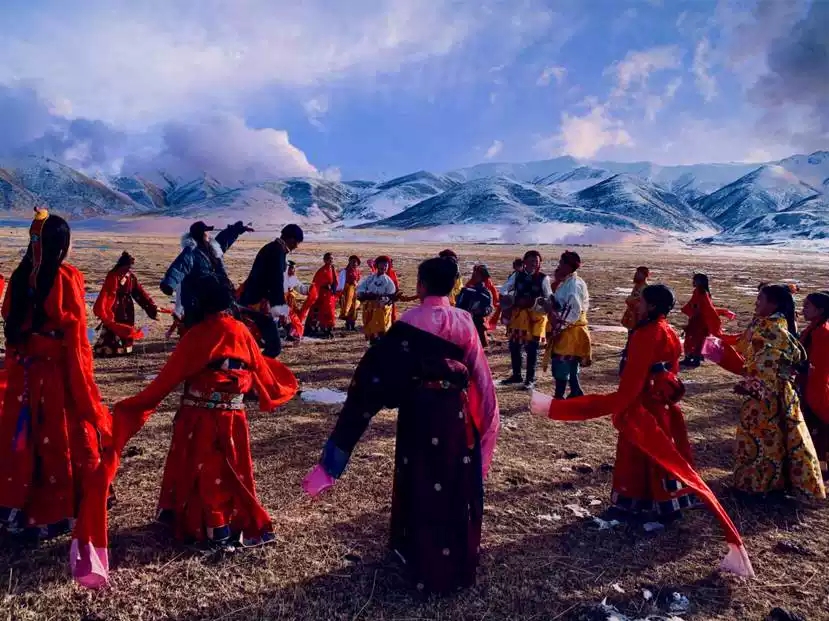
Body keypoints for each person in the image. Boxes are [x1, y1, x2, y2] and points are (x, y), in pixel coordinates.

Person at [71, 275, 299, 588]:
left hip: (200, 419)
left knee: (205, 472)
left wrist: (129, 408)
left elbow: (165, 382)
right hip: (234, 419)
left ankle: (210, 529)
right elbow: (260, 370)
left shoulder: (198, 335)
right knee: (229, 471)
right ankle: (225, 526)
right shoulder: (242, 331)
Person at [302, 257, 499, 594]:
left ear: (421, 286)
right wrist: (487, 433)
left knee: (420, 479)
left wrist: (334, 459)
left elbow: (375, 378)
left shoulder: (408, 322)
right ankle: (449, 562)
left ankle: (415, 554)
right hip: (455, 417)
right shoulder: (465, 321)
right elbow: (481, 381)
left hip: (419, 414)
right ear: (453, 285)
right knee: (450, 481)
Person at [530, 284, 755, 578]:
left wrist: (617, 405)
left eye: (641, 300)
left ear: (652, 306)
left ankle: (631, 504)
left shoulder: (646, 334)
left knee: (636, 456)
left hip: (643, 407)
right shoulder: (667, 330)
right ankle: (666, 505)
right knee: (660, 457)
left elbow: (633, 381)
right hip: (660, 406)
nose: (636, 304)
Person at [0, 209, 111, 542]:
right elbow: (75, 334)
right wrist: (84, 380)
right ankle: (57, 510)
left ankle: (16, 507)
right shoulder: (66, 277)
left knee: (23, 436)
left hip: (24, 374)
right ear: (62, 245)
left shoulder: (20, 276)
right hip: (56, 375)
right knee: (63, 435)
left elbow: (11, 322)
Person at [708, 285, 825, 499]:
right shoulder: (769, 325)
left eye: (760, 299)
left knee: (761, 440)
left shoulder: (772, 329)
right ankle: (766, 485)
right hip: (766, 391)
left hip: (765, 394)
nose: (756, 303)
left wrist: (751, 385)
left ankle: (757, 487)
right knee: (769, 438)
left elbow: (765, 367)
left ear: (774, 304)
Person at [160, 220, 252, 329]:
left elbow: (224, 240)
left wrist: (237, 229)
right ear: (202, 234)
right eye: (206, 232)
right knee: (196, 329)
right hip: (196, 300)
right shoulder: (191, 252)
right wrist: (169, 283)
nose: (208, 234)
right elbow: (180, 266)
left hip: (213, 296)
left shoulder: (212, 249)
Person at [237, 224, 304, 357]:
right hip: (259, 303)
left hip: (253, 300)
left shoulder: (272, 248)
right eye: (297, 242)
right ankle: (257, 367)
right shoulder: (277, 252)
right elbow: (275, 284)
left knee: (261, 343)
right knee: (274, 347)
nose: (296, 246)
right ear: (291, 239)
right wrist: (282, 312)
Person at [92, 252, 160, 356]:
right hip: (114, 306)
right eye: (128, 265)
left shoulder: (130, 276)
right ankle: (110, 349)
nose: (129, 268)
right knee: (113, 327)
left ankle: (124, 349)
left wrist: (151, 306)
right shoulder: (113, 275)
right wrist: (104, 310)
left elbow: (139, 293)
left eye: (130, 266)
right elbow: (106, 293)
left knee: (127, 326)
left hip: (127, 307)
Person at [544, 251, 591, 399]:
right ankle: (576, 392)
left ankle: (559, 396)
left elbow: (573, 310)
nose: (559, 266)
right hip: (571, 331)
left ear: (568, 266)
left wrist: (558, 326)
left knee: (562, 364)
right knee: (571, 364)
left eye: (561, 263)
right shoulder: (569, 282)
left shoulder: (574, 285)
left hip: (569, 332)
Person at [503, 251, 552, 389]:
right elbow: (504, 290)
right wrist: (510, 300)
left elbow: (549, 296)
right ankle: (516, 375)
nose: (534, 264)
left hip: (536, 317)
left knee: (532, 348)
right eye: (531, 261)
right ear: (524, 262)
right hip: (519, 316)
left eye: (536, 261)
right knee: (514, 345)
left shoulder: (543, 278)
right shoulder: (516, 276)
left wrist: (540, 302)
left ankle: (530, 379)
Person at [801, 291, 829, 478]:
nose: (803, 309)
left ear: (820, 310)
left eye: (807, 306)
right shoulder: (813, 329)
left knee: (819, 429)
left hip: (816, 388)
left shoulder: (822, 333)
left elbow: (818, 367)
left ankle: (820, 469)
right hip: (809, 385)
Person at [680, 274, 733, 368]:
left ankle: (693, 359)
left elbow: (698, 307)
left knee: (694, 339)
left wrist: (693, 317)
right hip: (701, 320)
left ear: (700, 282)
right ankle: (694, 357)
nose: (693, 282)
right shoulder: (703, 292)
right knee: (697, 339)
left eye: (695, 280)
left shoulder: (700, 292)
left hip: (699, 320)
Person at [357, 256, 398, 344]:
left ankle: (380, 342)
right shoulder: (370, 278)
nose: (384, 267)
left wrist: (383, 299)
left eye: (386, 265)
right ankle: (372, 342)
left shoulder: (388, 281)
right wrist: (365, 294)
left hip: (381, 307)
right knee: (370, 325)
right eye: (382, 265)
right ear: (377, 265)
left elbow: (391, 294)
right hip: (369, 308)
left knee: (380, 327)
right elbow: (361, 289)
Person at [457, 265, 495, 346]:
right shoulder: (465, 290)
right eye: (474, 274)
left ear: (482, 277)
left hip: (478, 323)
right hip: (465, 322)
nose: (474, 276)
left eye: (477, 275)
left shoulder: (486, 293)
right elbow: (458, 305)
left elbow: (490, 308)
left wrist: (482, 311)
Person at [303, 253, 338, 338]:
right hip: (322, 295)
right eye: (329, 259)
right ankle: (319, 329)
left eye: (332, 259)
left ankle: (328, 329)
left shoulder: (332, 269)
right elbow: (316, 283)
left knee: (330, 312)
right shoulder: (322, 271)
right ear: (324, 260)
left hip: (330, 295)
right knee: (322, 312)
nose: (331, 260)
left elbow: (335, 281)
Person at [283, 261, 311, 341]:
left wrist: (310, 290)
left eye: (294, 269)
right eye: (292, 268)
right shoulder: (281, 278)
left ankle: (291, 334)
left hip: (290, 302)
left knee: (293, 318)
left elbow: (300, 287)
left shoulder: (293, 278)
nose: (294, 271)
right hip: (281, 301)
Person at [621, 267, 649, 331]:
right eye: (636, 273)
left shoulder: (645, 288)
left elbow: (638, 302)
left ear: (645, 275)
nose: (636, 275)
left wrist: (631, 300)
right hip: (632, 317)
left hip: (638, 318)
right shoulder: (636, 286)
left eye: (639, 273)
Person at [338, 255, 362, 331]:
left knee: (354, 308)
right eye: (353, 262)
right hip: (347, 292)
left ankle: (352, 324)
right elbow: (341, 283)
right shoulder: (344, 272)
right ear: (349, 262)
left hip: (354, 291)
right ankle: (348, 324)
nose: (354, 263)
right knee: (348, 307)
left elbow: (358, 281)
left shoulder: (357, 271)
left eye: (356, 262)